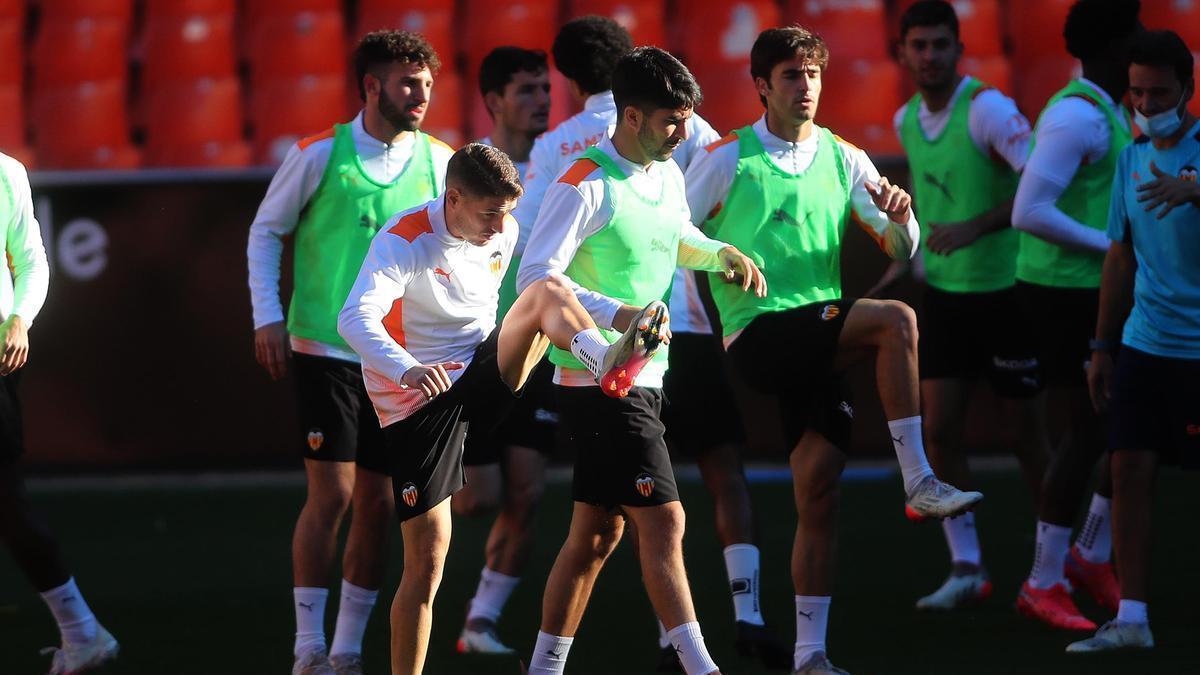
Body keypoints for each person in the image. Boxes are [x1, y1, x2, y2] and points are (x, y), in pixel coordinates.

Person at [684, 26, 983, 673]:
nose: (806, 86)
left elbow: (902, 248)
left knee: (819, 495)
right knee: (896, 318)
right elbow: (669, 233)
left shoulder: (844, 156)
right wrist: (706, 275)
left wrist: (901, 218)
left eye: (813, 75)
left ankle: (809, 655)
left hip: (818, 337)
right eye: (792, 75)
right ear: (761, 85)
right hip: (760, 335)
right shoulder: (728, 156)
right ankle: (919, 477)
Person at [338, 143, 675, 675]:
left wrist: (626, 312)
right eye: (490, 212)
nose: (501, 227)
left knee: (543, 287)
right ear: (453, 198)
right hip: (418, 404)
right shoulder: (403, 239)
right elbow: (354, 319)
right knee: (426, 566)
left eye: (507, 212)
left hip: (482, 374)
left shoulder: (504, 229)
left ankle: (603, 361)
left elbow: (552, 292)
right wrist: (405, 367)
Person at [518, 47, 766, 675]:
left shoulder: (665, 173)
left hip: (646, 374)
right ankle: (700, 667)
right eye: (671, 120)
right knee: (667, 521)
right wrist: (620, 312)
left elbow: (676, 235)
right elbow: (536, 278)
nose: (683, 133)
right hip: (597, 380)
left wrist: (723, 255)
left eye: (685, 119)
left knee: (595, 538)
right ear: (630, 116)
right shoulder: (583, 184)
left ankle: (544, 669)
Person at [246, 30, 454, 675]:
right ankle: (307, 645)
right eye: (406, 82)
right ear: (372, 86)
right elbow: (266, 231)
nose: (420, 94)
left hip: (398, 360)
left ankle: (345, 651)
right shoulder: (318, 155)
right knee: (330, 496)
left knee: (376, 502)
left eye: (426, 82)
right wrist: (267, 317)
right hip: (326, 350)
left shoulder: (442, 162)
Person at [891, 0, 1048, 610]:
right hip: (946, 299)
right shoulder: (906, 118)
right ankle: (968, 566)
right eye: (919, 45)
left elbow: (1041, 182)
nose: (929, 55)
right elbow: (931, 202)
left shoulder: (988, 109)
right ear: (901, 53)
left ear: (959, 49)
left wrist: (977, 228)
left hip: (1007, 294)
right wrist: (912, 255)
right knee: (941, 430)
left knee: (1025, 435)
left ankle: (1054, 563)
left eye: (939, 44)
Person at [1010, 0, 1142, 632]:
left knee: (1119, 428)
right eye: (1133, 37)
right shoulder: (1076, 118)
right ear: (1112, 48)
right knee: (1091, 432)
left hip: (1091, 291)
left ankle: (1088, 556)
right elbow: (1029, 210)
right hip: (1063, 295)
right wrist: (1116, 248)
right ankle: (1044, 579)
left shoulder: (1106, 109)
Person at [1068, 29, 1200, 654]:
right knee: (1129, 468)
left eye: (1161, 92)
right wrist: (1102, 346)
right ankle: (1133, 617)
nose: (1148, 104)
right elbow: (1119, 258)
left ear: (1189, 89)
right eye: (1138, 93)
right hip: (1147, 344)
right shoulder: (1130, 157)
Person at [0, 152, 119, 674]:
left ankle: (81, 631)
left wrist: (20, 319)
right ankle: (82, 631)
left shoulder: (6, 173)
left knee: (4, 500)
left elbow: (30, 261)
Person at [454, 46, 554, 655]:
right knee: (477, 500)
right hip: (472, 355)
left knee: (528, 491)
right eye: (526, 90)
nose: (541, 100)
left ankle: (480, 619)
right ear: (493, 101)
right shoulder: (462, 172)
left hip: (537, 352)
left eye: (546, 88)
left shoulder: (562, 165)